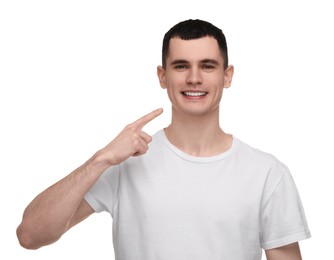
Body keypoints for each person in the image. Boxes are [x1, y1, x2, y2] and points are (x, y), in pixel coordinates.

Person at [17, 19, 311, 260]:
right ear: (162, 76)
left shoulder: (266, 173)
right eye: (181, 66)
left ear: (227, 76)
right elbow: (30, 235)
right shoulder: (126, 162)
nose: (194, 78)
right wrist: (101, 159)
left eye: (207, 66)